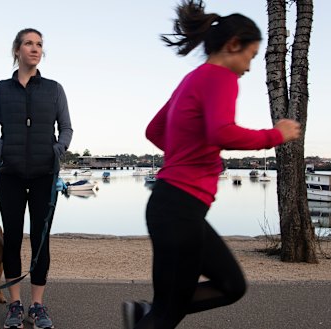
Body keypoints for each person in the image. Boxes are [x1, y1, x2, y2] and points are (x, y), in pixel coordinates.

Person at [122, 1, 301, 328]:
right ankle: (148, 316)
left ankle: (145, 314)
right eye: (250, 56)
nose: (248, 67)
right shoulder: (222, 77)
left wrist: (194, 153)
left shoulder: (193, 78)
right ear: (233, 45)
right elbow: (222, 131)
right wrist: (275, 135)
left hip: (174, 207)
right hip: (179, 208)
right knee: (166, 313)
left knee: (230, 285)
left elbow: (155, 130)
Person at [0, 28, 73, 329]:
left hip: (44, 176)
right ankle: (14, 305)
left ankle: (37, 306)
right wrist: (1, 151)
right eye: (29, 44)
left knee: (40, 240)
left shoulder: (54, 88)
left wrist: (55, 151)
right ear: (17, 51)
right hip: (9, 175)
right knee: (11, 239)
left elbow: (67, 129)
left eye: (39, 45)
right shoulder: (1, 89)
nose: (35, 49)